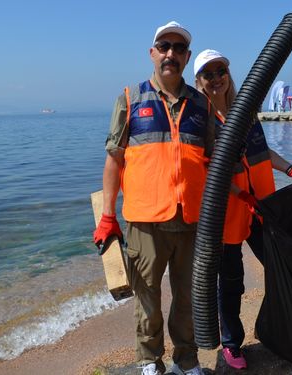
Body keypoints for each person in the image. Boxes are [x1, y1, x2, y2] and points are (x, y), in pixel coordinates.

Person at [93, 21, 214, 375]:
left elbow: (216, 160)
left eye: (178, 49)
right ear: (152, 53)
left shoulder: (200, 105)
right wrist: (108, 217)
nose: (171, 54)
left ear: (187, 57)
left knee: (187, 298)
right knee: (147, 298)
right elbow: (114, 160)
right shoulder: (130, 99)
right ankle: (149, 361)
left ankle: (187, 362)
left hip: (191, 220)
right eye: (164, 46)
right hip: (145, 222)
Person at [193, 49, 292, 370]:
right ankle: (232, 343)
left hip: (263, 206)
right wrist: (240, 194)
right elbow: (205, 171)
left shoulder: (246, 112)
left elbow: (263, 152)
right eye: (209, 74)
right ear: (199, 81)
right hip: (228, 215)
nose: (217, 78)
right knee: (232, 281)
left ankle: (289, 325)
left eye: (221, 70)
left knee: (285, 265)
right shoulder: (200, 122)